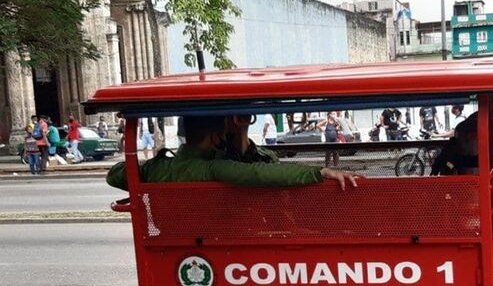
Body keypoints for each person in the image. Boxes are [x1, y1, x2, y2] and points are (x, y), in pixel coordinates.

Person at [106, 115, 360, 191]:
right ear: (216, 137)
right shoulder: (213, 169)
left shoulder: (155, 169)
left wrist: (151, 164)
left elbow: (114, 175)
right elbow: (263, 174)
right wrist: (320, 171)